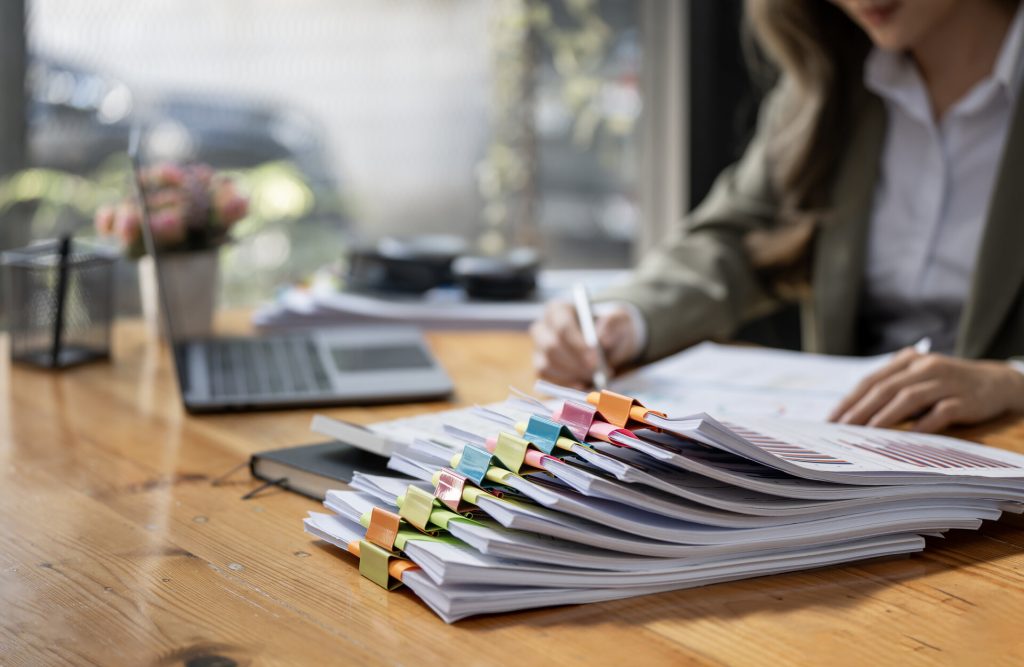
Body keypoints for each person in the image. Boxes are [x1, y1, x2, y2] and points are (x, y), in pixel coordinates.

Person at [531, 0, 1024, 433]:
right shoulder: (835, 79)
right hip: (865, 457)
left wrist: (1010, 382)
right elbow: (737, 236)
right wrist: (625, 319)